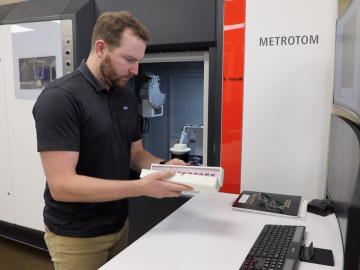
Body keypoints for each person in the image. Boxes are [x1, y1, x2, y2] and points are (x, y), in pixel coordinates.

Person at [32, 11, 192, 270]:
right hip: (77, 235)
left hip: (119, 224)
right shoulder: (61, 99)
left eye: (138, 60)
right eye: (128, 59)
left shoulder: (126, 97)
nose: (135, 69)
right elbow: (62, 185)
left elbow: (135, 155)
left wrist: (166, 167)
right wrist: (141, 188)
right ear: (101, 48)